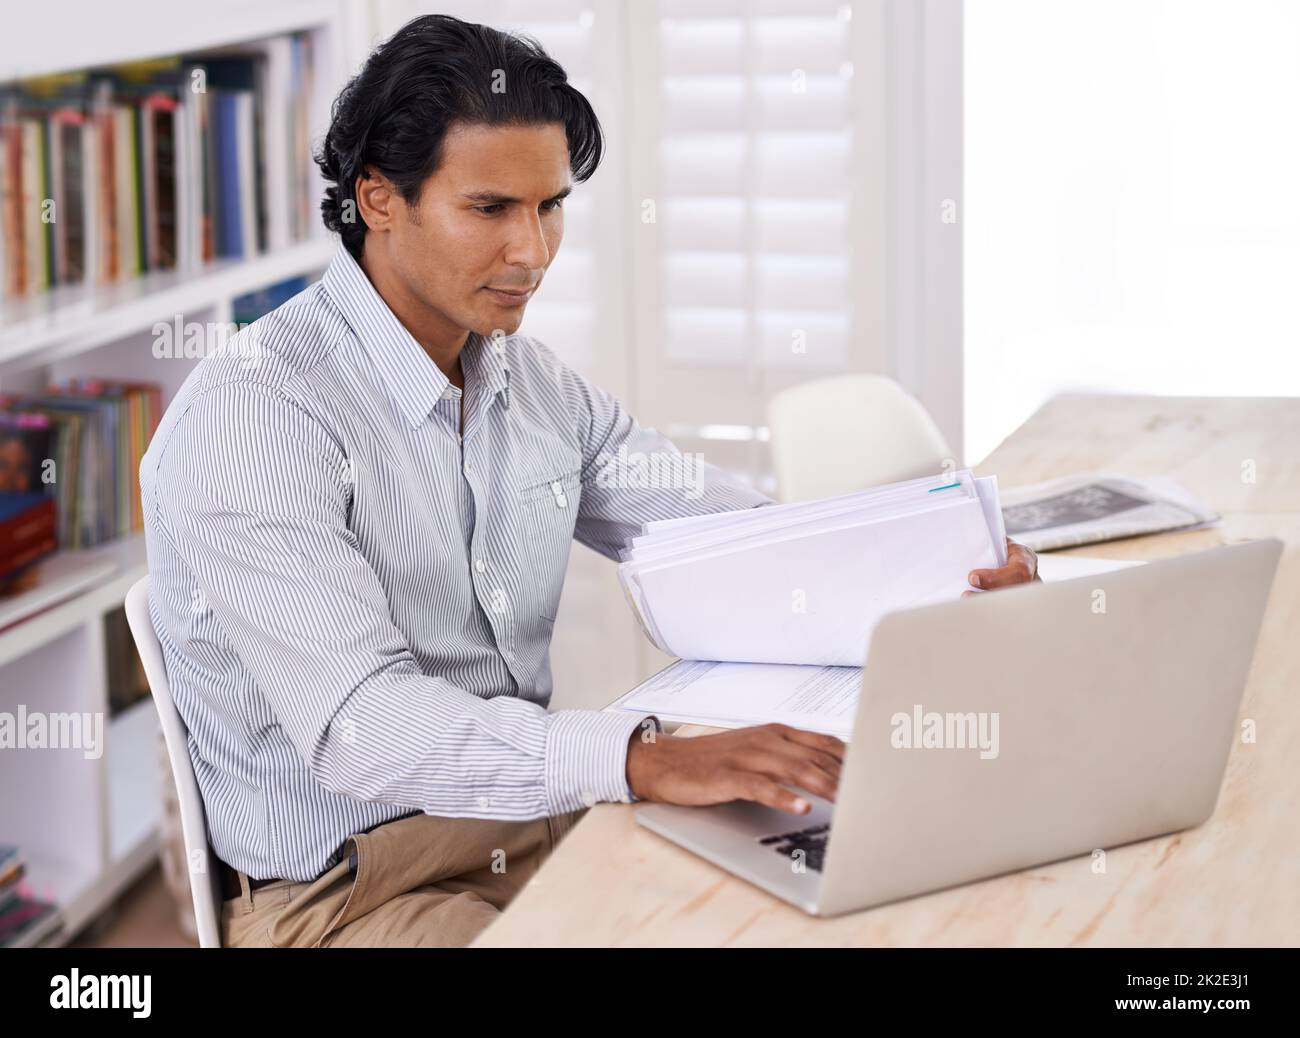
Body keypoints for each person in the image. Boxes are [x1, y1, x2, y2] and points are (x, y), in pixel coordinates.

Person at [140, 14, 1038, 947]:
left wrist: (946, 582)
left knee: (865, 887)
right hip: (351, 893)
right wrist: (639, 757)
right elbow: (364, 727)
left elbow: (739, 542)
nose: (533, 252)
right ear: (378, 199)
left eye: (551, 206)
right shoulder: (254, 418)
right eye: (490, 209)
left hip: (535, 822)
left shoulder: (526, 383)